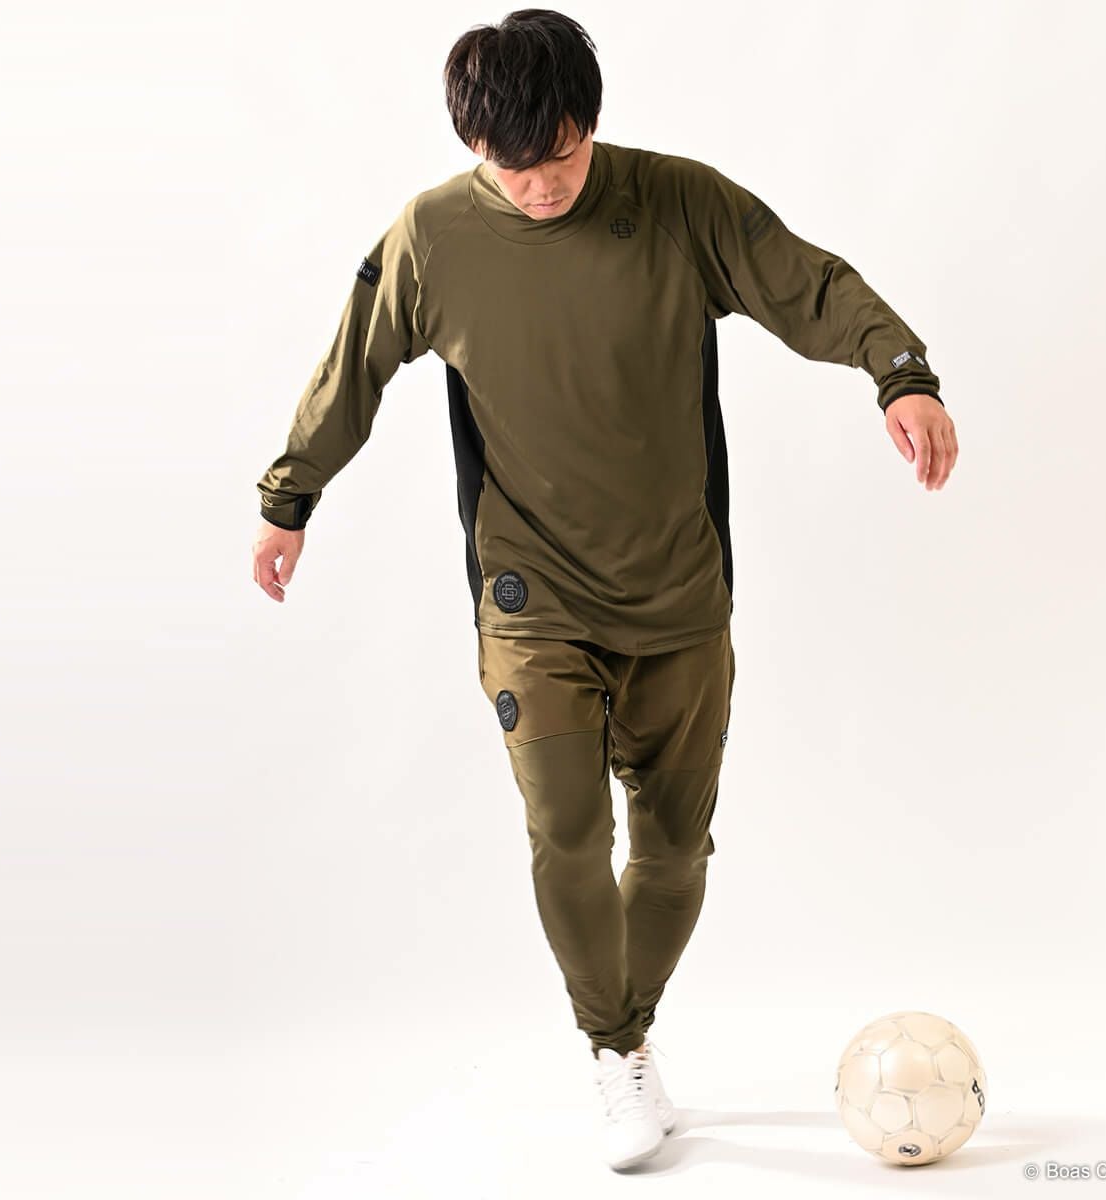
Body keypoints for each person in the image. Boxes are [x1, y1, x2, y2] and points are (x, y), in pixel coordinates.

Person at [251, 7, 958, 1172]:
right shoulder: (431, 238)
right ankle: (615, 1051)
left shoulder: (677, 203)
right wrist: (290, 500)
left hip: (679, 593)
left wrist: (901, 373)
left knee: (675, 854)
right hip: (531, 595)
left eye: (563, 155)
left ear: (593, 122)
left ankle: (627, 1024)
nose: (540, 184)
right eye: (512, 164)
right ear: (472, 145)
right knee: (567, 832)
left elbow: (810, 283)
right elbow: (352, 370)